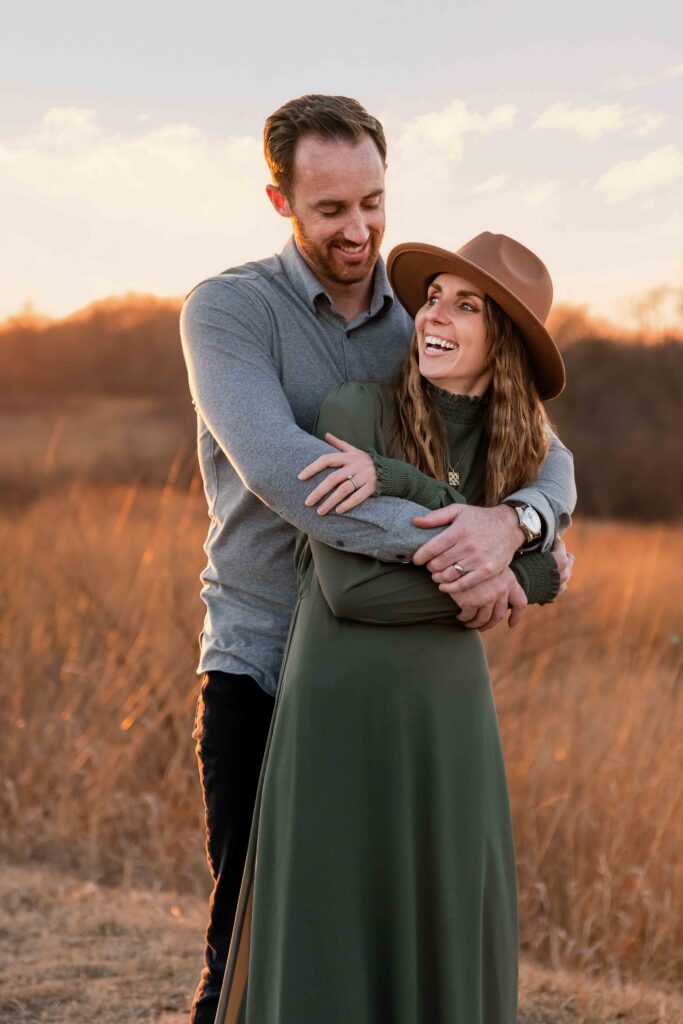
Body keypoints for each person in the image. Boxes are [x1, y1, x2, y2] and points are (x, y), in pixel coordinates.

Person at [180, 95, 577, 1024]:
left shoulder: (424, 319)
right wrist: (471, 548)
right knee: (249, 947)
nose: (357, 229)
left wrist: (519, 526)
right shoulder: (230, 311)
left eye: (372, 202)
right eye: (329, 211)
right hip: (262, 659)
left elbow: (543, 454)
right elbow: (292, 481)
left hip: (390, 672)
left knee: (384, 949)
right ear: (279, 202)